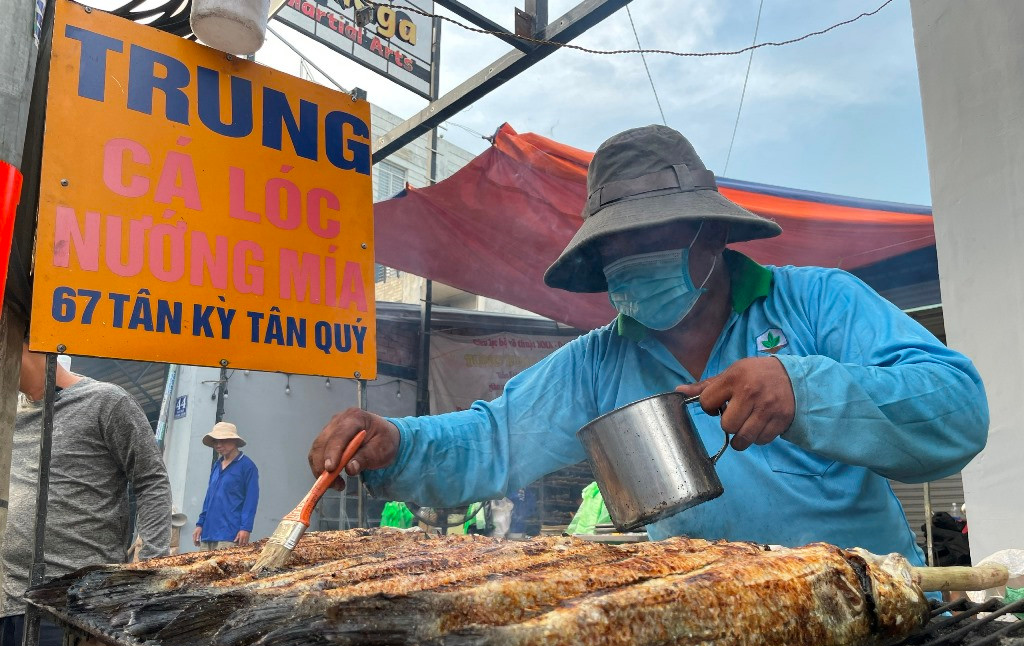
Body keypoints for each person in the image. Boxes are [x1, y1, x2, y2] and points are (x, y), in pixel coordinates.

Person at [308, 125, 988, 566]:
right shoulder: (598, 362)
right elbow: (494, 440)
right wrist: (398, 444)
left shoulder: (817, 302)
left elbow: (958, 410)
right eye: (612, 245)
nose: (627, 258)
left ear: (712, 235)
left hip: (872, 614)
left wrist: (804, 390)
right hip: (721, 629)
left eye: (648, 236)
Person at [1, 344, 172, 646]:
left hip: (67, 609)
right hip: (6, 602)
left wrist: (143, 573)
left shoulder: (106, 403)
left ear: (22, 343)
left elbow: (151, 481)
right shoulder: (11, 416)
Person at [193, 422, 259, 550]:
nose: (218, 445)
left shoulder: (247, 466)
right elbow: (209, 498)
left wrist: (246, 528)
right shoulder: (217, 465)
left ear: (234, 441)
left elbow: (251, 500)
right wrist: (200, 524)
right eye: (215, 441)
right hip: (208, 533)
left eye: (223, 440)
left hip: (230, 534)